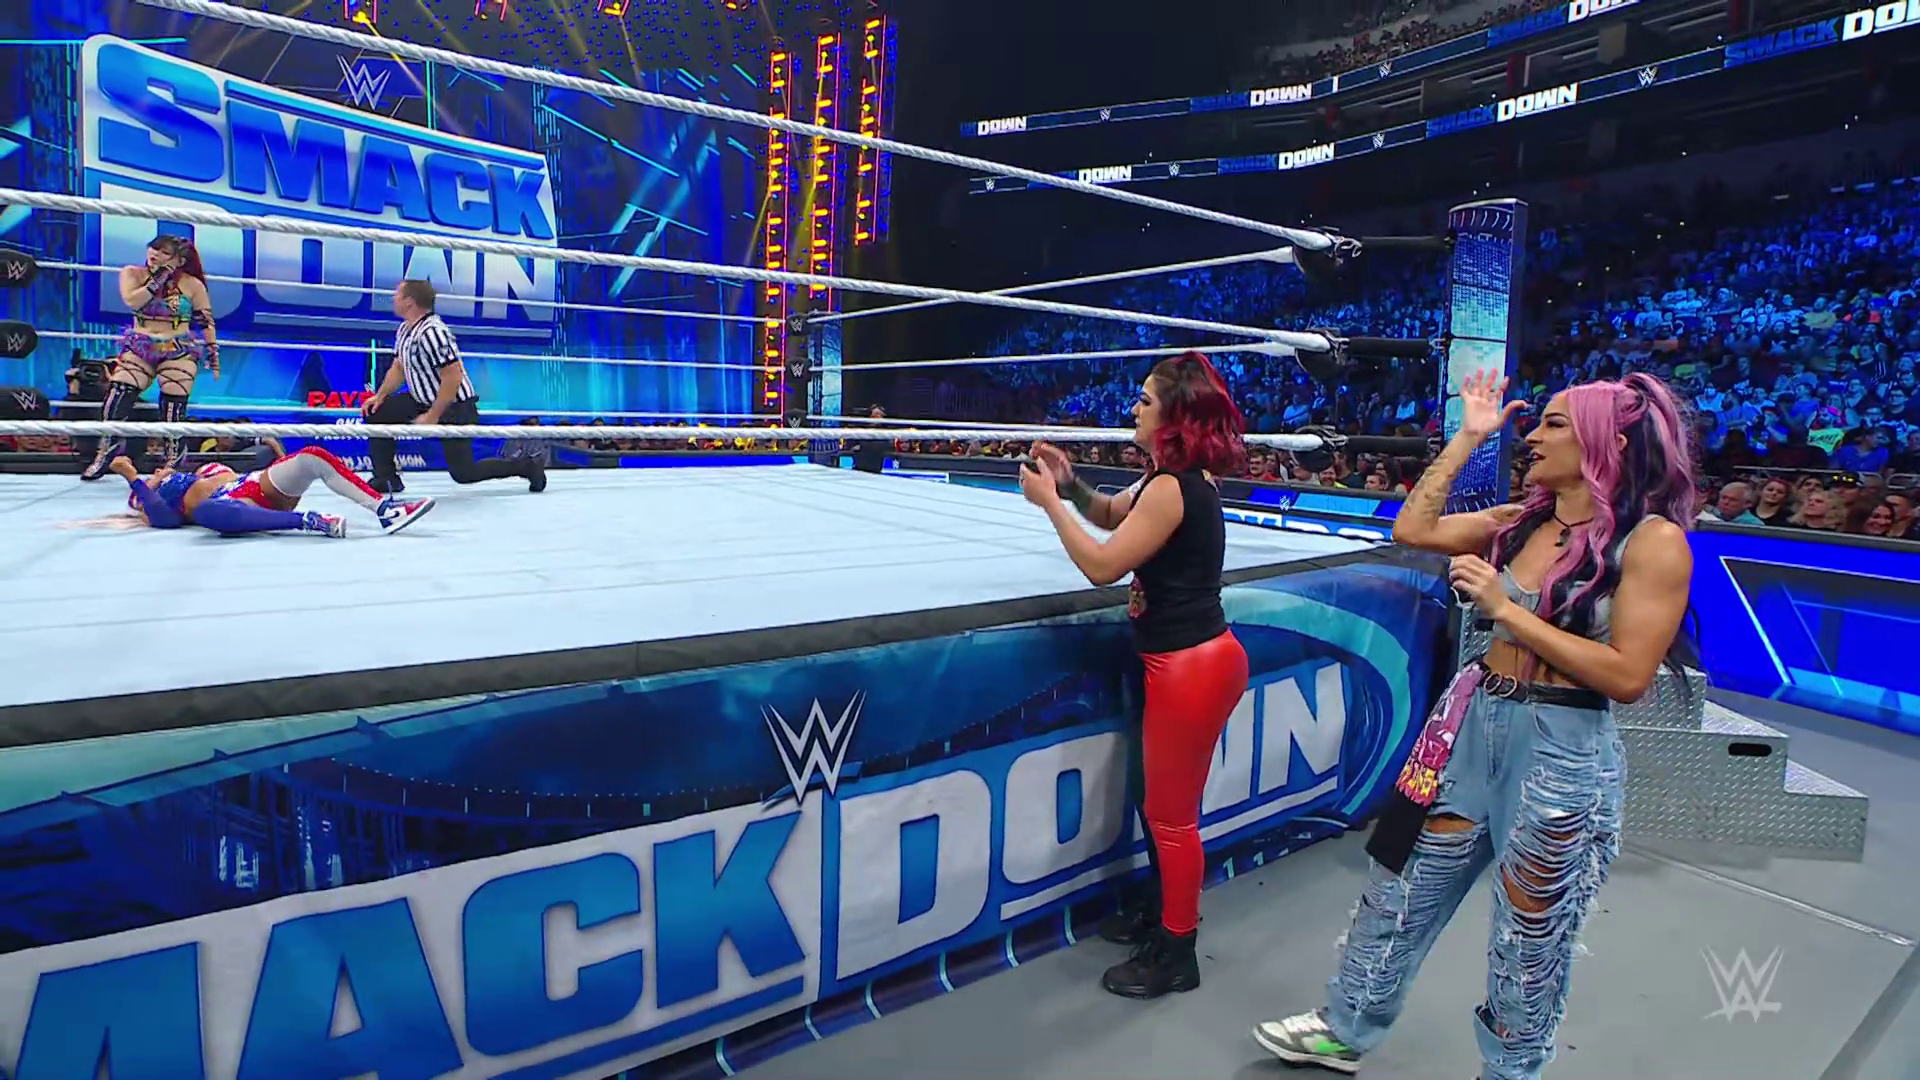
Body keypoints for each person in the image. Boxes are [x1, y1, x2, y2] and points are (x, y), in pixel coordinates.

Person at [1252, 370, 1698, 1080]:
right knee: (1399, 886)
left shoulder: (1652, 542)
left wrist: (1506, 608)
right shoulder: (1523, 520)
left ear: (1608, 441)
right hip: (1470, 724)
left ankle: (1511, 1070)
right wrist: (1467, 437)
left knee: (1531, 934)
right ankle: (1344, 1029)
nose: (1534, 435)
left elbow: (1627, 676)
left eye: (1553, 423)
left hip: (1559, 749)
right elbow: (1412, 529)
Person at [1018, 350, 1251, 1000]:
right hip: (1183, 659)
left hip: (1191, 664)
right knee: (1159, 806)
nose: (1133, 409)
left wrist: (1049, 505)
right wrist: (1070, 485)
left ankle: (1177, 952)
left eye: (1146, 400)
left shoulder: (1175, 488)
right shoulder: (1162, 481)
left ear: (1173, 415)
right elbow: (1109, 514)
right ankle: (1161, 911)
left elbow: (1102, 565)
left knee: (1171, 817)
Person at [363, 279, 546, 494]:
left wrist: (433, 415)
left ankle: (526, 467)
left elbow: (453, 376)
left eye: (397, 294)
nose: (393, 298)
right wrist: (380, 396)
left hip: (454, 406)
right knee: (377, 412)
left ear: (410, 301)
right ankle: (386, 478)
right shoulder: (405, 329)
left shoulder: (433, 332)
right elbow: (399, 367)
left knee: (463, 473)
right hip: (421, 399)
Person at [82, 235, 220, 480]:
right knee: (118, 395)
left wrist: (212, 352)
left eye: (165, 253)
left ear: (180, 260)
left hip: (177, 348)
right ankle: (106, 453)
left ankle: (173, 461)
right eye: (154, 249)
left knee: (173, 406)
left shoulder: (192, 284)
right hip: (141, 346)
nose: (155, 254)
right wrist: (160, 277)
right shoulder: (132, 274)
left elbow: (205, 320)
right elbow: (133, 301)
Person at [112, 445, 435, 537]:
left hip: (254, 484)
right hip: (234, 508)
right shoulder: (149, 496)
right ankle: (308, 521)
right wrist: (132, 477)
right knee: (208, 512)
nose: (157, 472)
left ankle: (385, 511)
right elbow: (162, 518)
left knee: (312, 457)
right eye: (152, 475)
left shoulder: (197, 470)